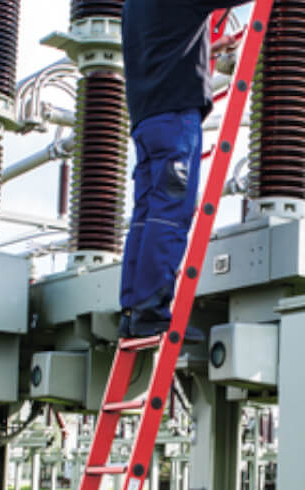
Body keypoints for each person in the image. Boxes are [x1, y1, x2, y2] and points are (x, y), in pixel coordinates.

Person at [119, 0, 248, 340]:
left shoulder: (133, 5)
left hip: (147, 118)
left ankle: (132, 310)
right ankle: (151, 311)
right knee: (169, 214)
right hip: (175, 117)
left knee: (146, 214)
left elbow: (165, 39)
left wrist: (210, 46)